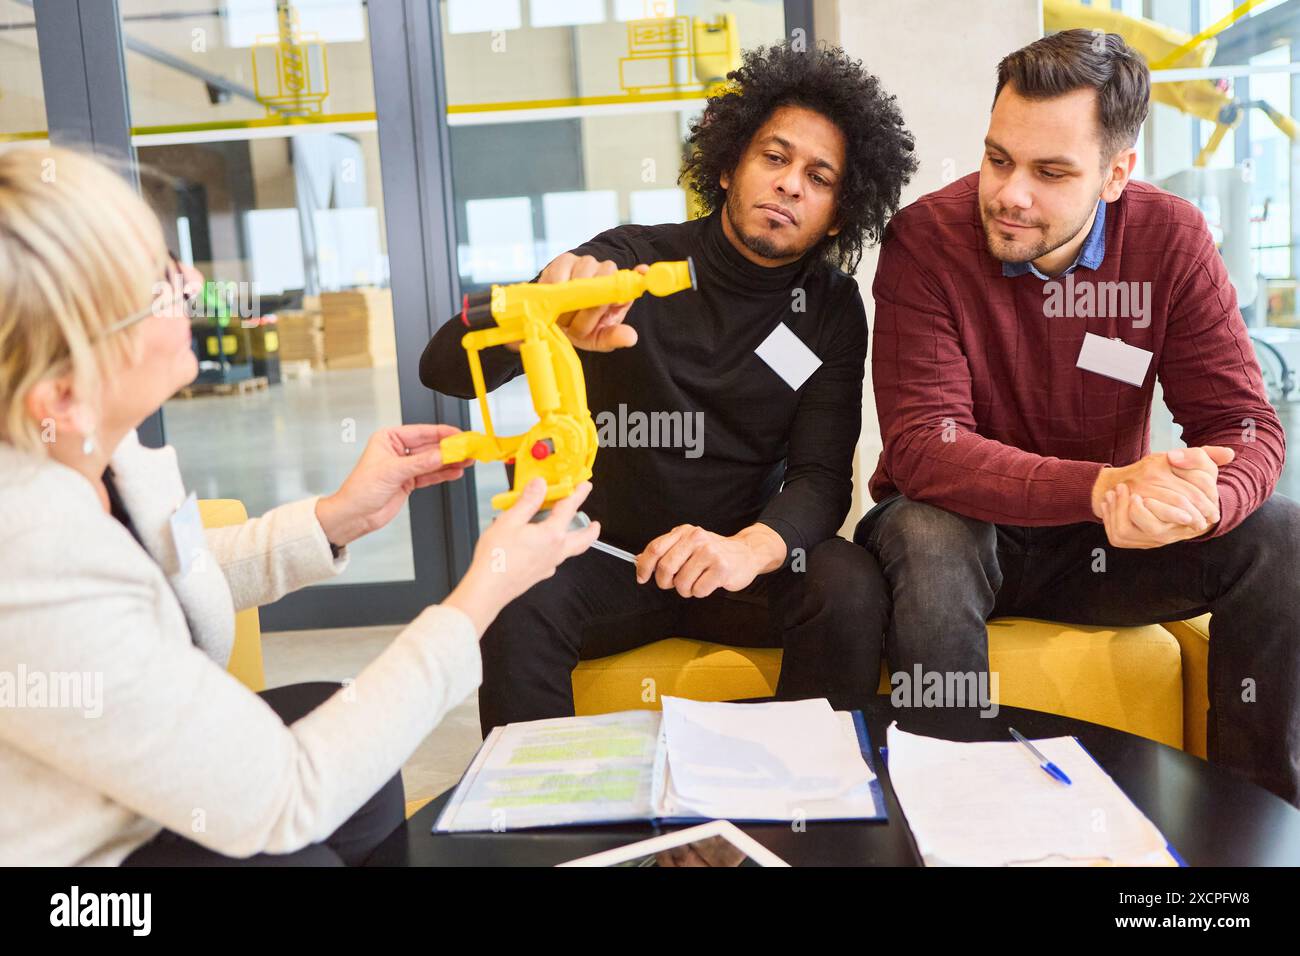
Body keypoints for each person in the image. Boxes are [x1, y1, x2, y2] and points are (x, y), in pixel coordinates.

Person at [0, 145, 599, 865]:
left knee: (332, 718)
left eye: (172, 259)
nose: (192, 282)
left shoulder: (98, 456)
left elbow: (161, 581)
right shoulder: (32, 563)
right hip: (80, 867)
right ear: (60, 393)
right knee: (300, 852)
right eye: (157, 285)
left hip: (127, 788)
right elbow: (285, 799)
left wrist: (337, 516)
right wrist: (481, 597)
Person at [855, 29, 1299, 806]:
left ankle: (1255, 818)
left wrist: (1203, 501)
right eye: (998, 158)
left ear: (1117, 174)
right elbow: (925, 446)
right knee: (928, 529)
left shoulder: (1172, 240)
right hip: (961, 539)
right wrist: (1102, 487)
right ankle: (955, 815)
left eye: (1051, 172)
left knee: (1283, 536)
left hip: (1103, 549)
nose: (1010, 193)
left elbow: (1245, 425)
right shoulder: (926, 241)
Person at [421, 42, 917, 733]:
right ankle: (542, 827)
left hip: (737, 566)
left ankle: (805, 804)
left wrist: (747, 550)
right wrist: (542, 302)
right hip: (606, 556)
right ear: (728, 166)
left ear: (839, 212)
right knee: (513, 596)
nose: (790, 184)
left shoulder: (830, 308)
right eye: (774, 158)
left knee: (849, 587)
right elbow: (441, 370)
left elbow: (820, 478)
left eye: (819, 175)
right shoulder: (630, 260)